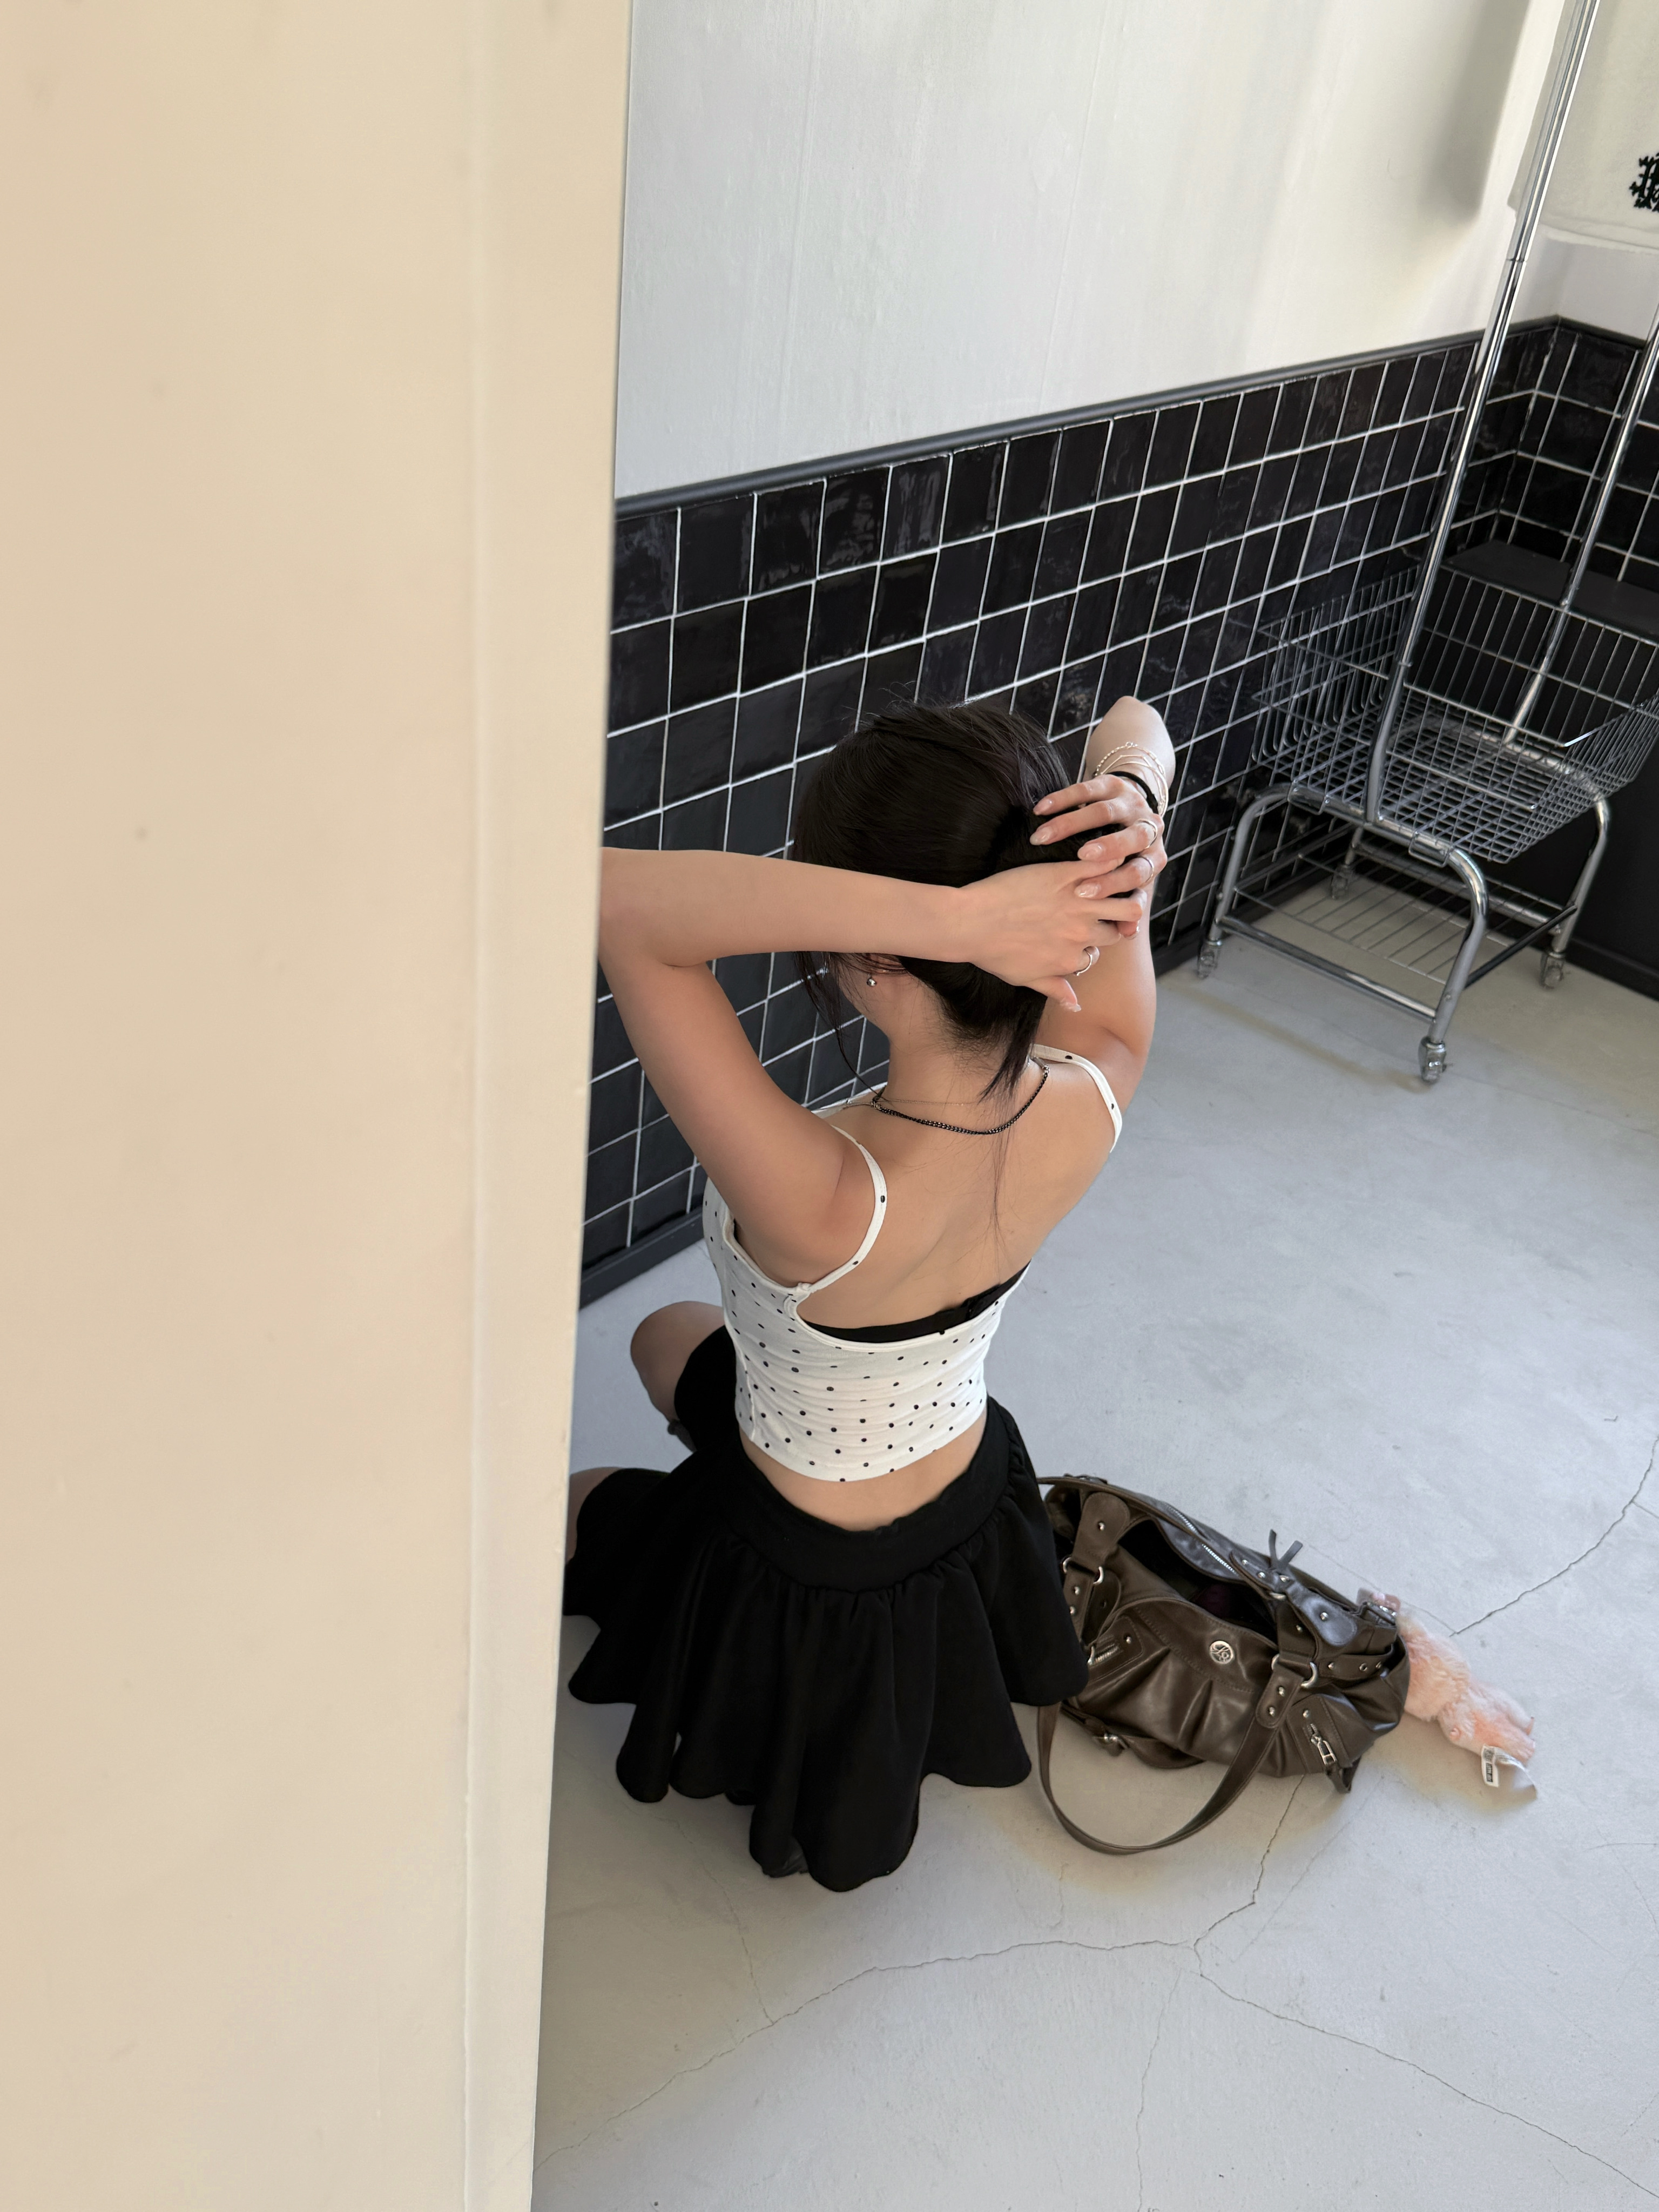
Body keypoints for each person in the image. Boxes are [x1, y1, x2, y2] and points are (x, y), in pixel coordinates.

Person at [564, 694, 1175, 1890]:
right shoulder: (1101, 1072)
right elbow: (1135, 724)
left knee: (571, 1502)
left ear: (875, 957)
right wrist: (1130, 811)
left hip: (805, 1576)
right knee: (662, 1337)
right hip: (964, 1486)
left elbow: (616, 902)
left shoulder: (826, 1195)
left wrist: (941, 918)